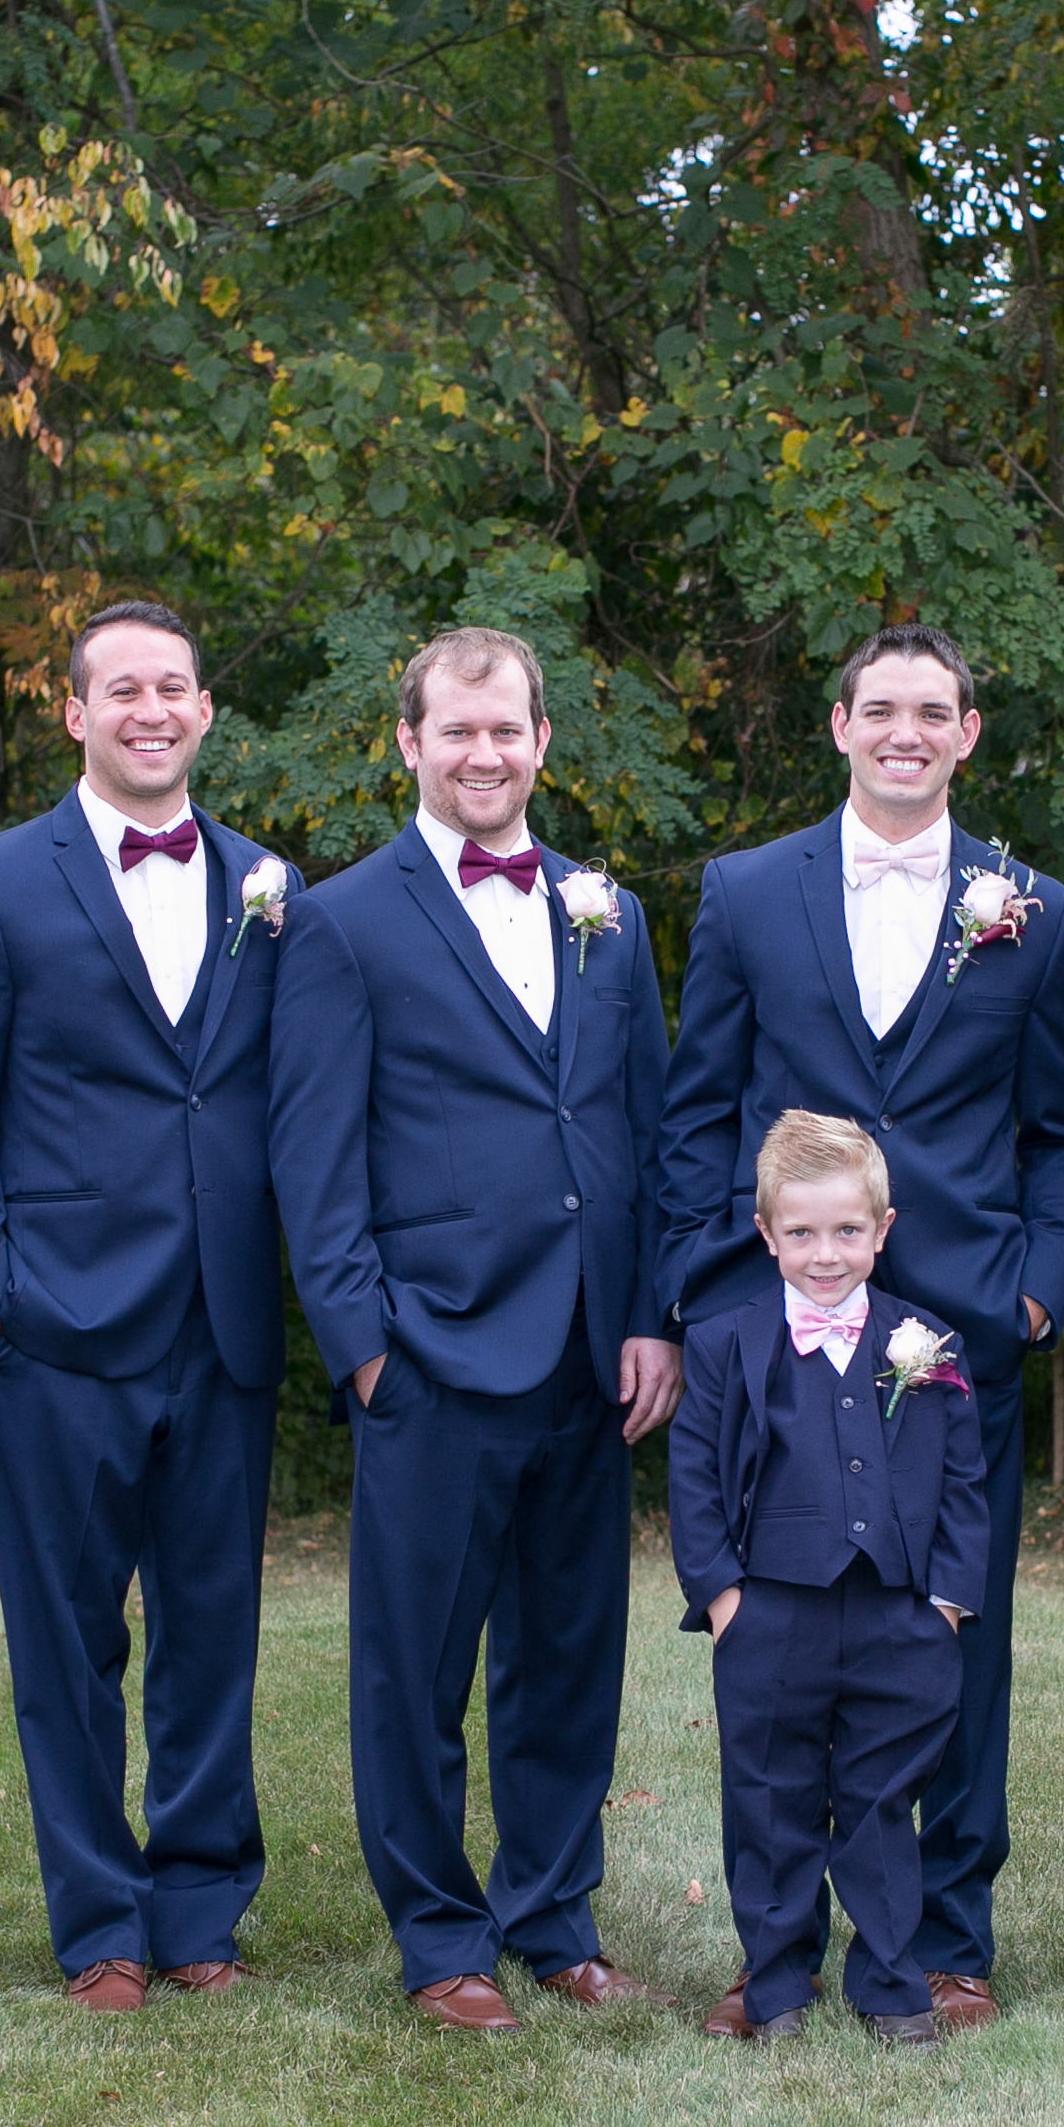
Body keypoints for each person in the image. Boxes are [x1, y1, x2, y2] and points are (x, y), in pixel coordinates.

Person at [655, 623, 1064, 2036]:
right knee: (777, 1656)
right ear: (837, 723)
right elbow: (695, 1109)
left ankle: (945, 1938)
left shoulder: (1034, 906)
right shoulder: (743, 890)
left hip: (954, 1319)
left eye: (934, 711)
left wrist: (1035, 1282)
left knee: (952, 1633)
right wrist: (705, 1295)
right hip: (780, 1325)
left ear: (968, 733)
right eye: (879, 709)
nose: (905, 731)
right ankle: (770, 1946)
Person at [266, 625, 681, 2032]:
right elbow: (311, 1154)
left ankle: (552, 1913)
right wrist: (364, 1343)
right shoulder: (341, 917)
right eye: (456, 731)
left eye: (506, 730)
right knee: (413, 1666)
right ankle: (439, 1935)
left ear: (542, 742)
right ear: (408, 743)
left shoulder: (603, 911)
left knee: (568, 1655)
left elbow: (640, 1124)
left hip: (585, 1351)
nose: (484, 753)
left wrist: (646, 1315)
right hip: (430, 1351)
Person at [0, 602, 291, 2011]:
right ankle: (98, 1926)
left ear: (201, 712)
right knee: (66, 1637)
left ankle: (197, 1908)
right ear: (72, 713)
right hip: (56, 1322)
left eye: (172, 686)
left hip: (224, 1318)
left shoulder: (267, 885)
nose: (149, 708)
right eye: (118, 688)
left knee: (211, 1624)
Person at [670, 1114, 989, 2047]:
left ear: (883, 1229)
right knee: (770, 1802)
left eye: (846, 1231)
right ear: (765, 1234)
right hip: (770, 1613)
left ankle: (890, 1984)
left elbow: (964, 1483)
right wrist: (725, 1599)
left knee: (882, 1802)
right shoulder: (726, 1343)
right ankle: (773, 1986)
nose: (823, 1254)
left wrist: (945, 1604)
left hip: (898, 1615)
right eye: (800, 1233)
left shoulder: (927, 1343)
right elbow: (692, 1478)